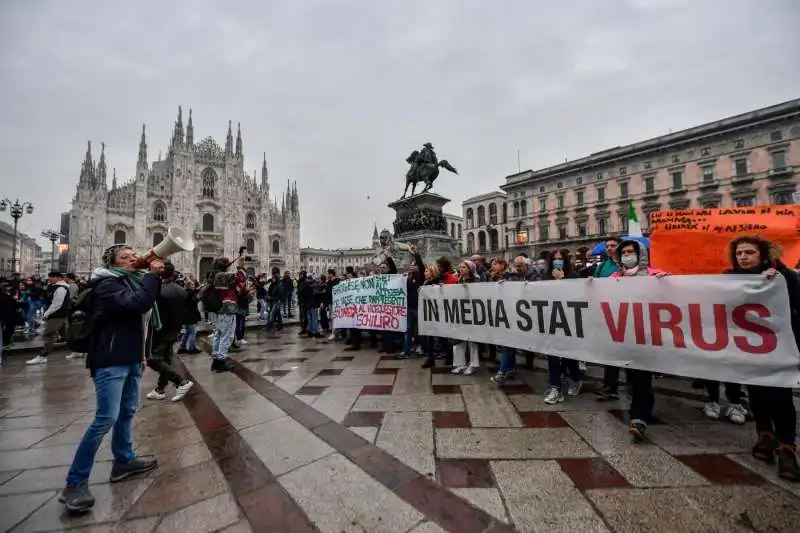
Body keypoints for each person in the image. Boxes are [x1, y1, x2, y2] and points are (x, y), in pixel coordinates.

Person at [60, 245, 162, 513]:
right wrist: (152, 276)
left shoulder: (128, 282)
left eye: (132, 254)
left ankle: (124, 461)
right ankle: (75, 482)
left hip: (129, 357)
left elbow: (139, 319)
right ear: (112, 263)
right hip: (110, 359)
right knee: (105, 419)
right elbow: (137, 304)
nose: (133, 258)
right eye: (125, 257)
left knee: (127, 412)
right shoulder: (105, 284)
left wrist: (142, 354)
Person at [724, 235, 799, 481]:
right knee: (757, 394)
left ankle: (787, 448)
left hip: (779, 346)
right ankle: (764, 436)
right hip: (747, 347)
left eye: (749, 252)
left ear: (763, 254)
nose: (743, 257)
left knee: (780, 396)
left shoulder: (785, 277)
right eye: (739, 253)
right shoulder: (728, 278)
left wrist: (777, 281)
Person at [609, 239, 668, 442]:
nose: (627, 255)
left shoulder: (654, 274)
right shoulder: (614, 277)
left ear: (640, 254)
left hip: (648, 334)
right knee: (633, 375)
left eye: (630, 251)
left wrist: (667, 283)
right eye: (623, 252)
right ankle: (644, 403)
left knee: (642, 374)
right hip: (624, 334)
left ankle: (639, 418)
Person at [144, 261, 193, 402]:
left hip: (160, 330)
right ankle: (160, 389)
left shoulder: (158, 290)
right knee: (166, 359)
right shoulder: (180, 290)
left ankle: (181, 382)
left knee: (152, 357)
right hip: (175, 329)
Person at [542, 250, 582, 404]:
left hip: (569, 322)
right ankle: (555, 388)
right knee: (552, 355)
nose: (557, 261)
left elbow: (577, 295)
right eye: (555, 259)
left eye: (560, 259)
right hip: (551, 321)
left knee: (568, 356)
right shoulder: (545, 277)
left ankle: (575, 378)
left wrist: (562, 280)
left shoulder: (573, 277)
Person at [27, 271, 71, 365]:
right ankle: (79, 351)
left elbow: (56, 304)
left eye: (52, 277)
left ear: (59, 277)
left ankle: (42, 356)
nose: (50, 279)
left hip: (57, 315)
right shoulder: (55, 287)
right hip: (59, 315)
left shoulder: (61, 288)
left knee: (49, 335)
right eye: (49, 277)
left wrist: (46, 314)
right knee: (66, 335)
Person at [451, 260, 480, 375]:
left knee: (472, 341)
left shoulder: (477, 281)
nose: (461, 269)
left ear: (470, 269)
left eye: (464, 267)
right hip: (460, 313)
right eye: (460, 267)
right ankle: (460, 364)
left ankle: (473, 364)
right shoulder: (458, 280)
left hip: (472, 314)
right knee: (458, 340)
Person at [178, 280, 202, 354]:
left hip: (185, 314)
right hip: (191, 315)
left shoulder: (183, 293)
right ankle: (192, 348)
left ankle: (182, 346)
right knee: (193, 332)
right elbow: (197, 300)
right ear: (191, 286)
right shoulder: (191, 294)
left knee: (187, 332)